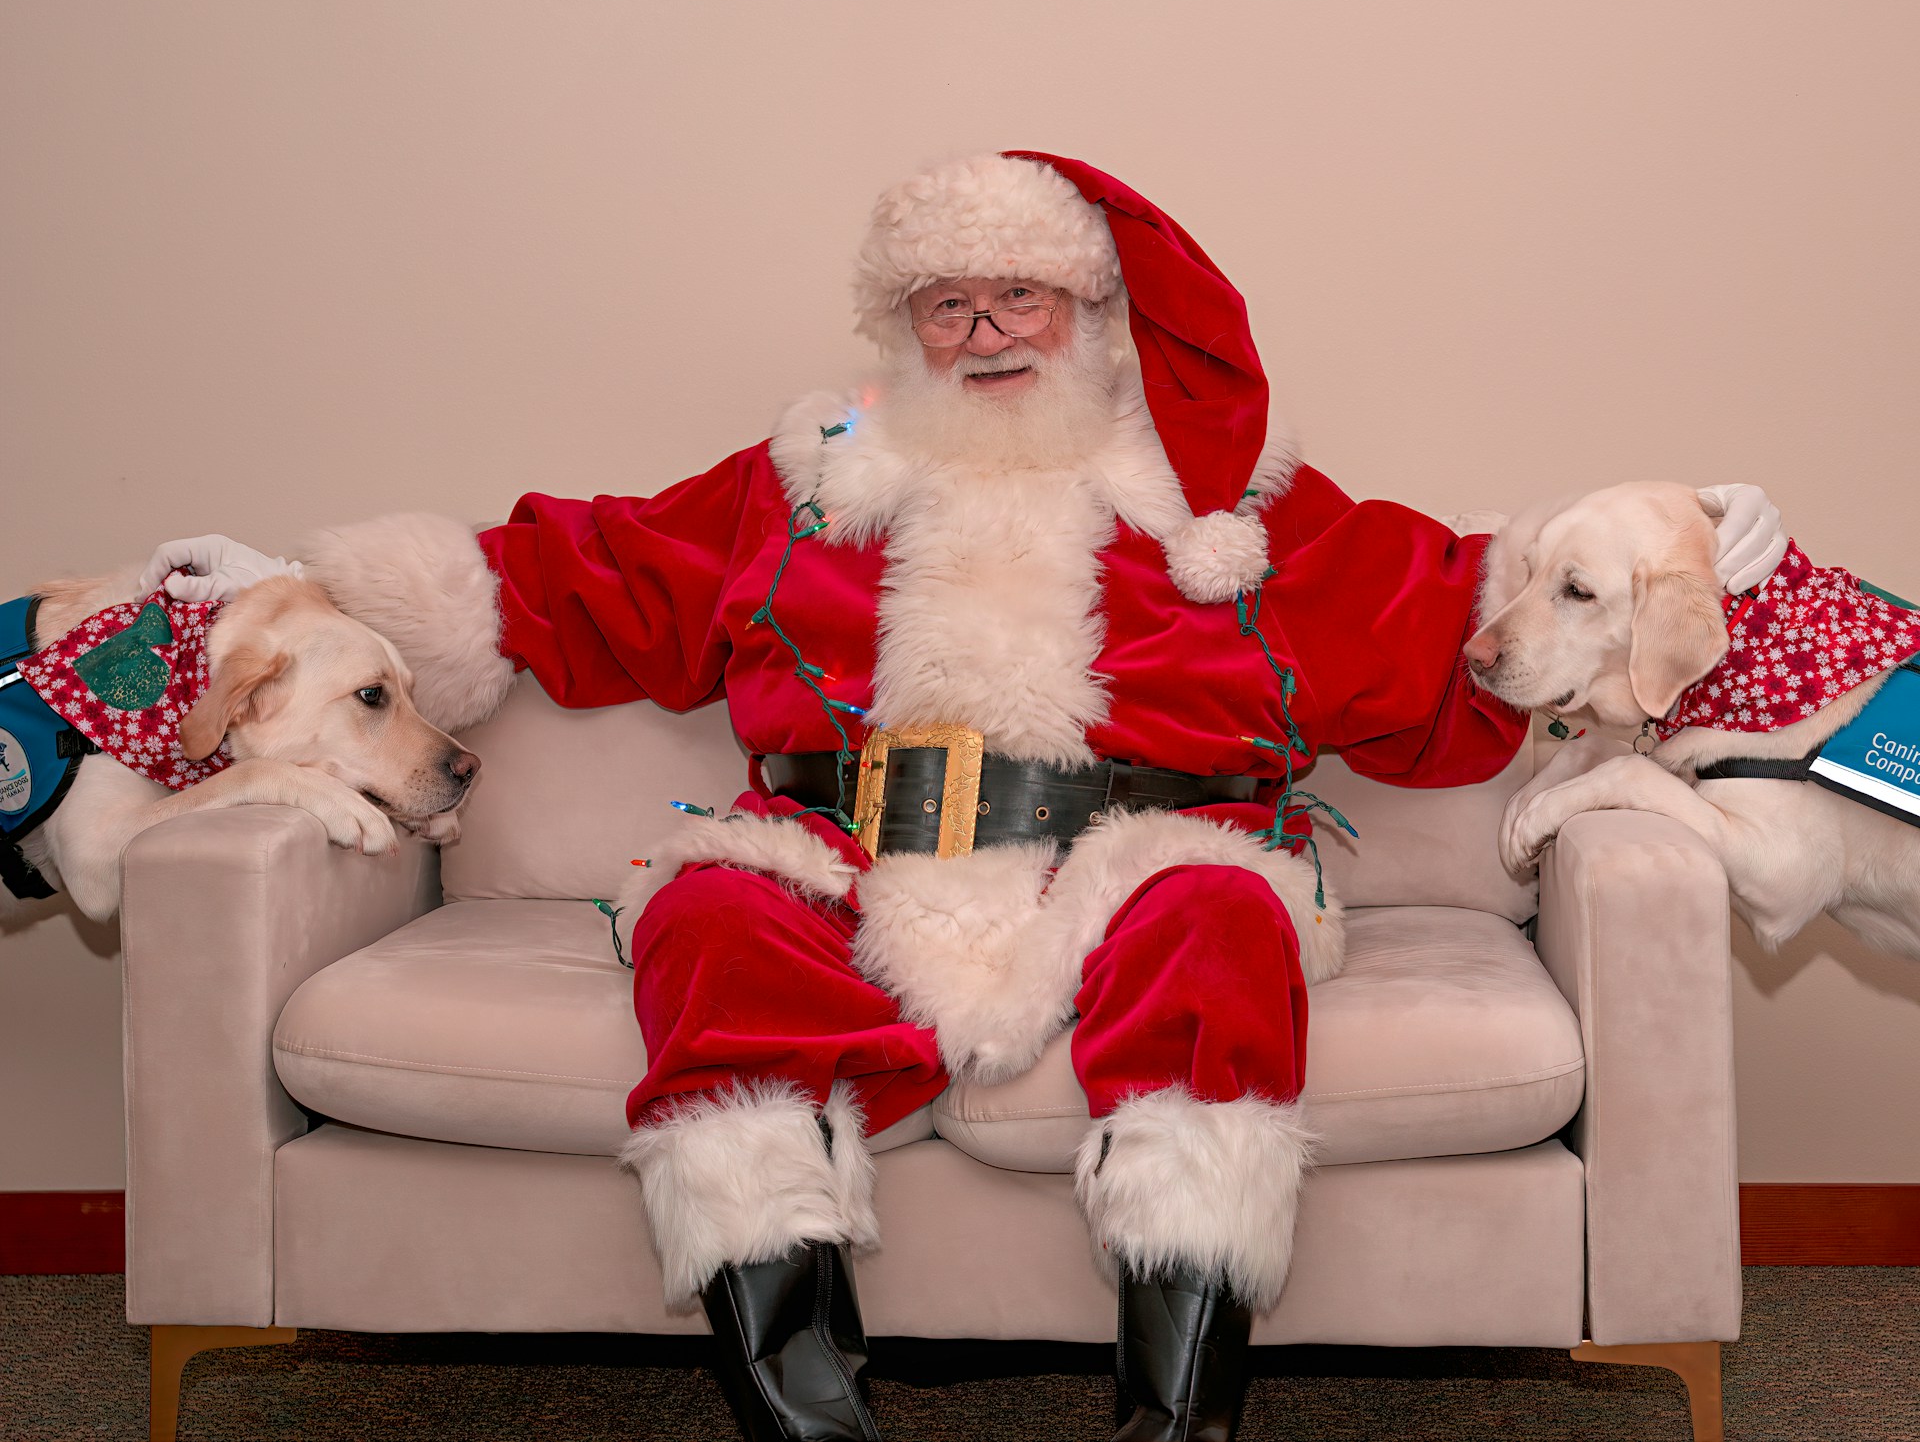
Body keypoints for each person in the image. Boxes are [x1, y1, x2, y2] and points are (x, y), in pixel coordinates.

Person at [147, 152, 1786, 1442]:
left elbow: (1457, 608)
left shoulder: (1221, 489)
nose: (986, 329)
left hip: (1150, 843)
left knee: (1224, 918)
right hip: (845, 850)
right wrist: (294, 594)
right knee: (709, 912)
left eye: (1024, 294)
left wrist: (1686, 547)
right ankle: (808, 1410)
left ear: (1095, 314)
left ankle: (1174, 1414)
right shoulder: (807, 476)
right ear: (898, 326)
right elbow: (584, 577)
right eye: (946, 303)